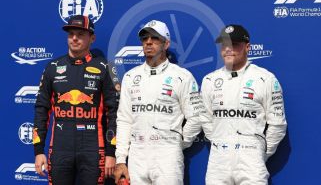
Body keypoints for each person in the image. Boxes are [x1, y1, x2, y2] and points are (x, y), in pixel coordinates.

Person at [114, 20, 202, 185]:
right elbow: (124, 120)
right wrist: (120, 159)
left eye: (155, 38)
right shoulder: (130, 77)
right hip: (137, 155)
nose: (148, 42)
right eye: (144, 38)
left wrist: (178, 143)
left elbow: (196, 117)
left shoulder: (183, 76)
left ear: (166, 43)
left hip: (167, 155)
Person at [33, 15, 118, 185]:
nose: (74, 38)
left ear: (92, 38)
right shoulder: (52, 67)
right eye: (71, 34)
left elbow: (114, 113)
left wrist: (111, 152)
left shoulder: (106, 68)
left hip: (93, 149)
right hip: (59, 148)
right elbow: (41, 109)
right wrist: (38, 150)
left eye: (80, 34)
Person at [200, 24, 287, 185]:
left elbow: (277, 124)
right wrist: (221, 141)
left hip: (251, 160)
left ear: (247, 47)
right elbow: (205, 119)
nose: (228, 49)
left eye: (234, 44)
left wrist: (260, 152)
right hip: (218, 161)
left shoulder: (265, 78)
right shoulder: (209, 80)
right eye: (225, 44)